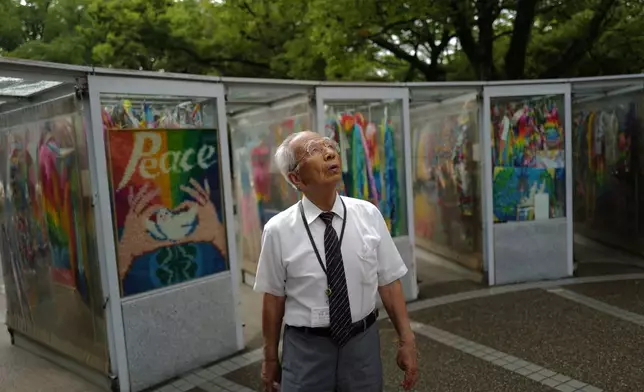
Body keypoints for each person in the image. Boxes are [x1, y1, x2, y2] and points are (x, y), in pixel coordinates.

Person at [254, 131, 419, 392]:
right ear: (295, 178)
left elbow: (388, 282)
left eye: (329, 146)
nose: (330, 153)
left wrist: (406, 341)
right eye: (312, 151)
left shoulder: (368, 215)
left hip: (362, 344)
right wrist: (270, 357)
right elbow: (273, 298)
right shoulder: (278, 230)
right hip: (306, 349)